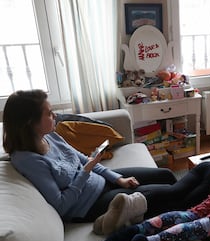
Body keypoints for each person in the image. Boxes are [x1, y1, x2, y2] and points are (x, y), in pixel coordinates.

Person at [2, 89, 177, 226]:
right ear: (30, 123)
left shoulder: (49, 135)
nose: (54, 115)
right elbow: (61, 206)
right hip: (88, 205)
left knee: (166, 175)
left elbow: (84, 160)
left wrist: (118, 179)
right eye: (48, 113)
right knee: (171, 193)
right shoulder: (27, 160)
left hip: (99, 181)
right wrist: (86, 171)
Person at [123, 103, 210, 219]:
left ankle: (132, 201)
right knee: (184, 205)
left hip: (207, 166)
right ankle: (142, 216)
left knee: (174, 190)